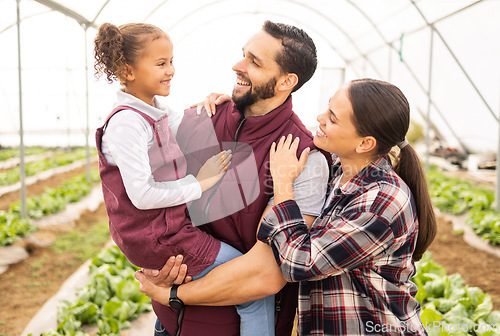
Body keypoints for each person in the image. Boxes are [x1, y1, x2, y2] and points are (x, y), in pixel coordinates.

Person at [135, 78, 437, 336]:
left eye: (332, 118)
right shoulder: (335, 169)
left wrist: (282, 184)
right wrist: (240, 104)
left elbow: (298, 263)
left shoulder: (382, 202)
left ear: (364, 144)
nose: (320, 118)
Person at [141, 20, 331, 336]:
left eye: (254, 62)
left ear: (286, 81)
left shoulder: (302, 158)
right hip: (171, 323)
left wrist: (174, 295)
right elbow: (155, 212)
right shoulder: (200, 119)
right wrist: (157, 264)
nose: (237, 66)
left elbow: (265, 274)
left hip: (237, 327)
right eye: (243, 54)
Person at [93, 22, 276, 336]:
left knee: (235, 284)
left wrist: (214, 103)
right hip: (159, 235)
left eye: (172, 61)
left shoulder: (156, 110)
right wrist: (201, 183)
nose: (171, 70)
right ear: (128, 70)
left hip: (167, 229)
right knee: (253, 288)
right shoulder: (126, 123)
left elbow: (189, 124)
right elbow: (142, 196)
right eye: (161, 63)